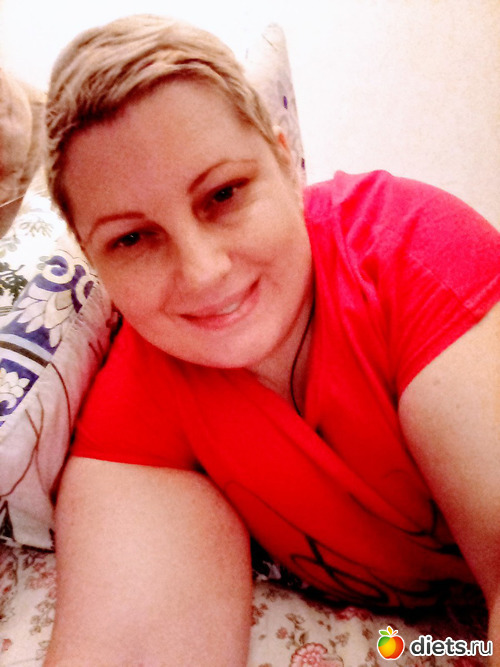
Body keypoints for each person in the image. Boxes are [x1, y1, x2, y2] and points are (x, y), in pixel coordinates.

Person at [43, 14, 500, 666]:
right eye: (133, 238)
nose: (203, 271)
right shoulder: (140, 405)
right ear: (95, 261)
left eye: (224, 194)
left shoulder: (412, 256)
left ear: (285, 162)